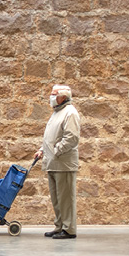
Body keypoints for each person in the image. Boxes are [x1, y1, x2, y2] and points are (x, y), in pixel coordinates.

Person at [35, 84, 81, 239]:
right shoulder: (57, 113)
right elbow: (51, 136)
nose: (51, 97)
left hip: (63, 163)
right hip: (53, 162)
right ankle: (59, 226)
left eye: (54, 94)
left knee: (65, 198)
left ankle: (69, 229)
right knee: (57, 198)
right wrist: (42, 150)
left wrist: (56, 151)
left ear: (63, 97)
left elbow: (71, 138)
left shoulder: (70, 113)